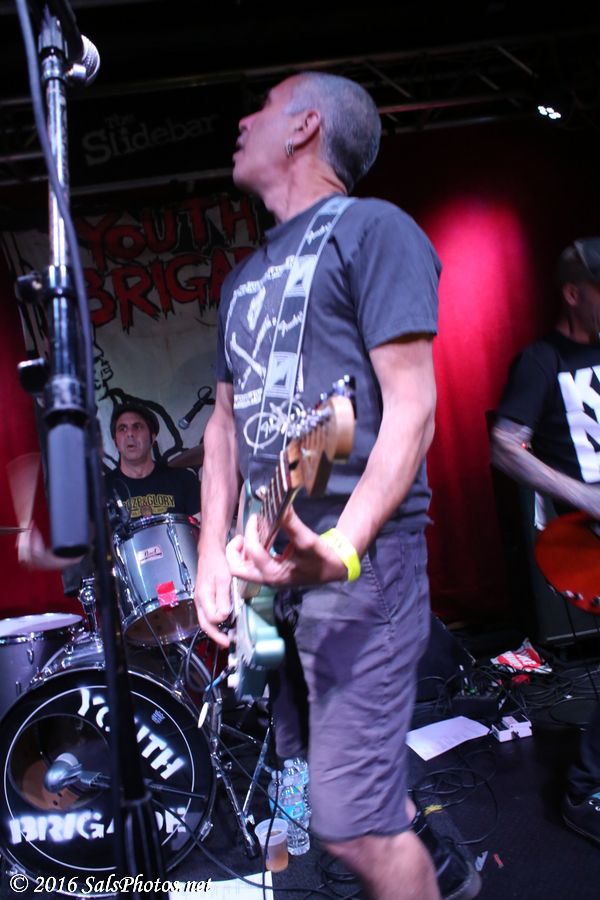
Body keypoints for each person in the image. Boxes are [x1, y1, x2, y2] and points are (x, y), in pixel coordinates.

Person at [194, 72, 480, 900]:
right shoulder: (242, 279)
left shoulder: (374, 230)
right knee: (316, 774)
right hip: (270, 567)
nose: (242, 121)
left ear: (304, 127)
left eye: (262, 108)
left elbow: (413, 408)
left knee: (352, 821)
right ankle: (438, 864)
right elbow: (222, 427)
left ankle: (424, 870)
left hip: (360, 565)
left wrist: (344, 548)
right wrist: (214, 552)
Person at [491, 236, 600, 846]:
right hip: (590, 535)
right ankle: (584, 792)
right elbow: (505, 446)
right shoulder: (540, 362)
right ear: (574, 294)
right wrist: (583, 495)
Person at [105, 401, 200, 520]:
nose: (129, 433)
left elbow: (205, 526)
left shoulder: (184, 480)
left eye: (137, 427)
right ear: (115, 442)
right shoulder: (101, 490)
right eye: (122, 428)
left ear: (153, 437)